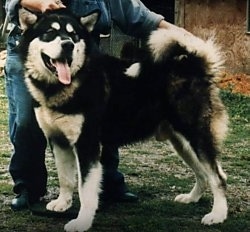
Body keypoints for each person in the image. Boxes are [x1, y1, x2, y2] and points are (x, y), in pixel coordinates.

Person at [5, 0, 191, 211]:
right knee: (27, 122)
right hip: (33, 51)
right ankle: (29, 187)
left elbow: (135, 13)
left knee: (105, 112)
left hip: (81, 54)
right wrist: (38, 2)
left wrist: (179, 33)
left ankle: (107, 182)